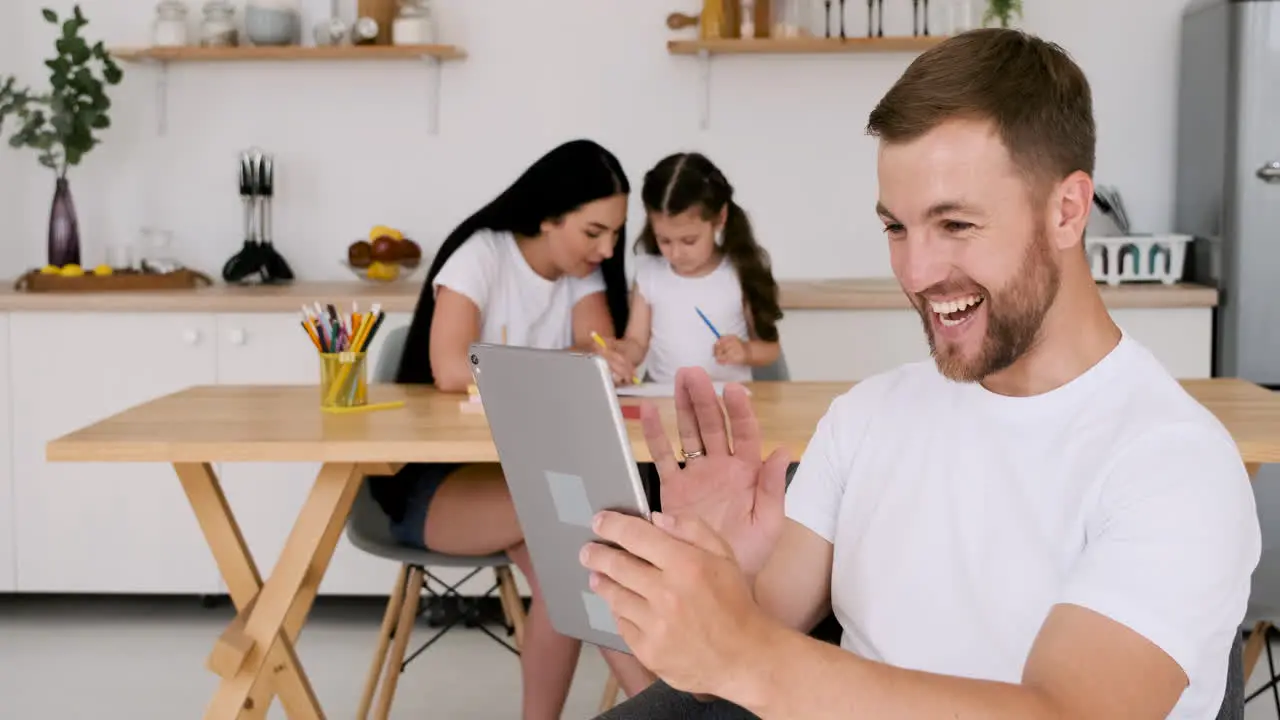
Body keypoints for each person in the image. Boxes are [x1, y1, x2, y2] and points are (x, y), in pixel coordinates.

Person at [579, 29, 1261, 720]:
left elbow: (1066, 712)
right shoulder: (867, 417)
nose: (915, 272)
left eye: (955, 224)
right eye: (896, 229)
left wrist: (745, 649)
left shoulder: (1174, 462)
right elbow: (726, 672)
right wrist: (722, 575)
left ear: (1067, 210)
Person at [371, 139, 655, 718]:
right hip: (433, 483)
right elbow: (451, 368)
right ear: (549, 218)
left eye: (615, 236)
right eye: (593, 232)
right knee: (587, 538)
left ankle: (652, 707)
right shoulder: (483, 255)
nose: (606, 250)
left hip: (526, 478)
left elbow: (596, 351)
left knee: (572, 577)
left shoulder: (580, 276)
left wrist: (603, 356)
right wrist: (568, 362)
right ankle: (662, 706)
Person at [597, 152, 783, 386]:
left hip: (726, 399)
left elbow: (770, 349)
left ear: (720, 218)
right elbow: (637, 343)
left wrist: (745, 351)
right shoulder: (649, 274)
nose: (675, 254)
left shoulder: (738, 272)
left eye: (689, 241)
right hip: (664, 397)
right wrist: (621, 353)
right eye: (664, 240)